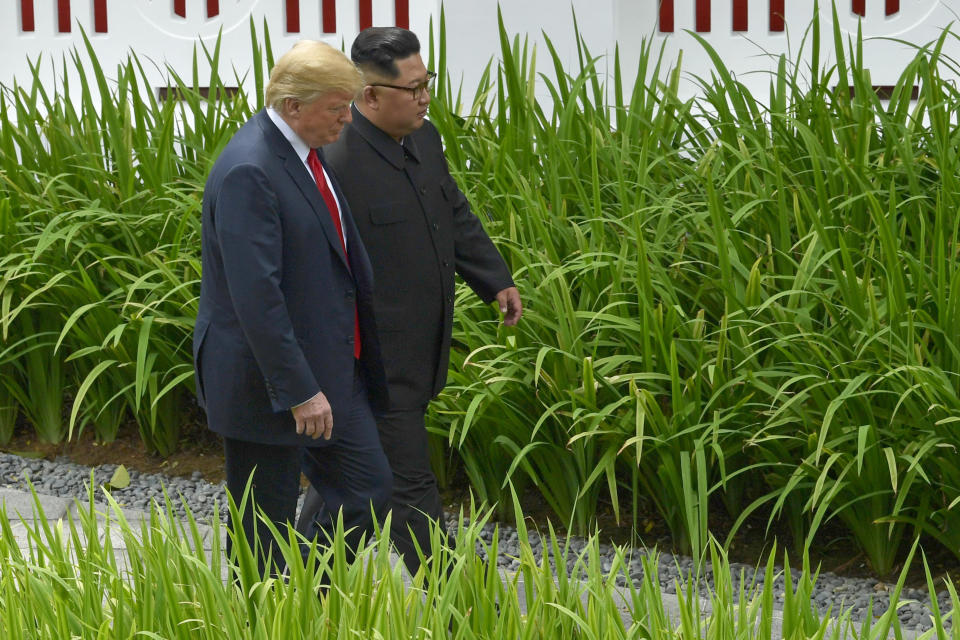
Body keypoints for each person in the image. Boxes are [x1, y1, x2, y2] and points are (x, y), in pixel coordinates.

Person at [297, 27, 522, 578]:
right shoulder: (335, 164)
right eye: (414, 89)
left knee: (348, 486)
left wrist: (493, 278)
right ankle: (462, 613)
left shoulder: (425, 138)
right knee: (409, 487)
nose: (425, 98)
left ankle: (295, 588)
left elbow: (452, 210)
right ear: (369, 95)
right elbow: (313, 274)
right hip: (371, 366)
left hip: (420, 353)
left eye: (428, 84)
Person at [192, 40, 393, 576]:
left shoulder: (304, 149)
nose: (347, 120)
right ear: (293, 106)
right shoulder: (249, 171)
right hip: (268, 383)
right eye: (337, 108)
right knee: (263, 528)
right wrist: (301, 391)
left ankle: (303, 588)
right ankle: (266, 614)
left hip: (329, 367)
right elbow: (257, 299)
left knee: (368, 490)